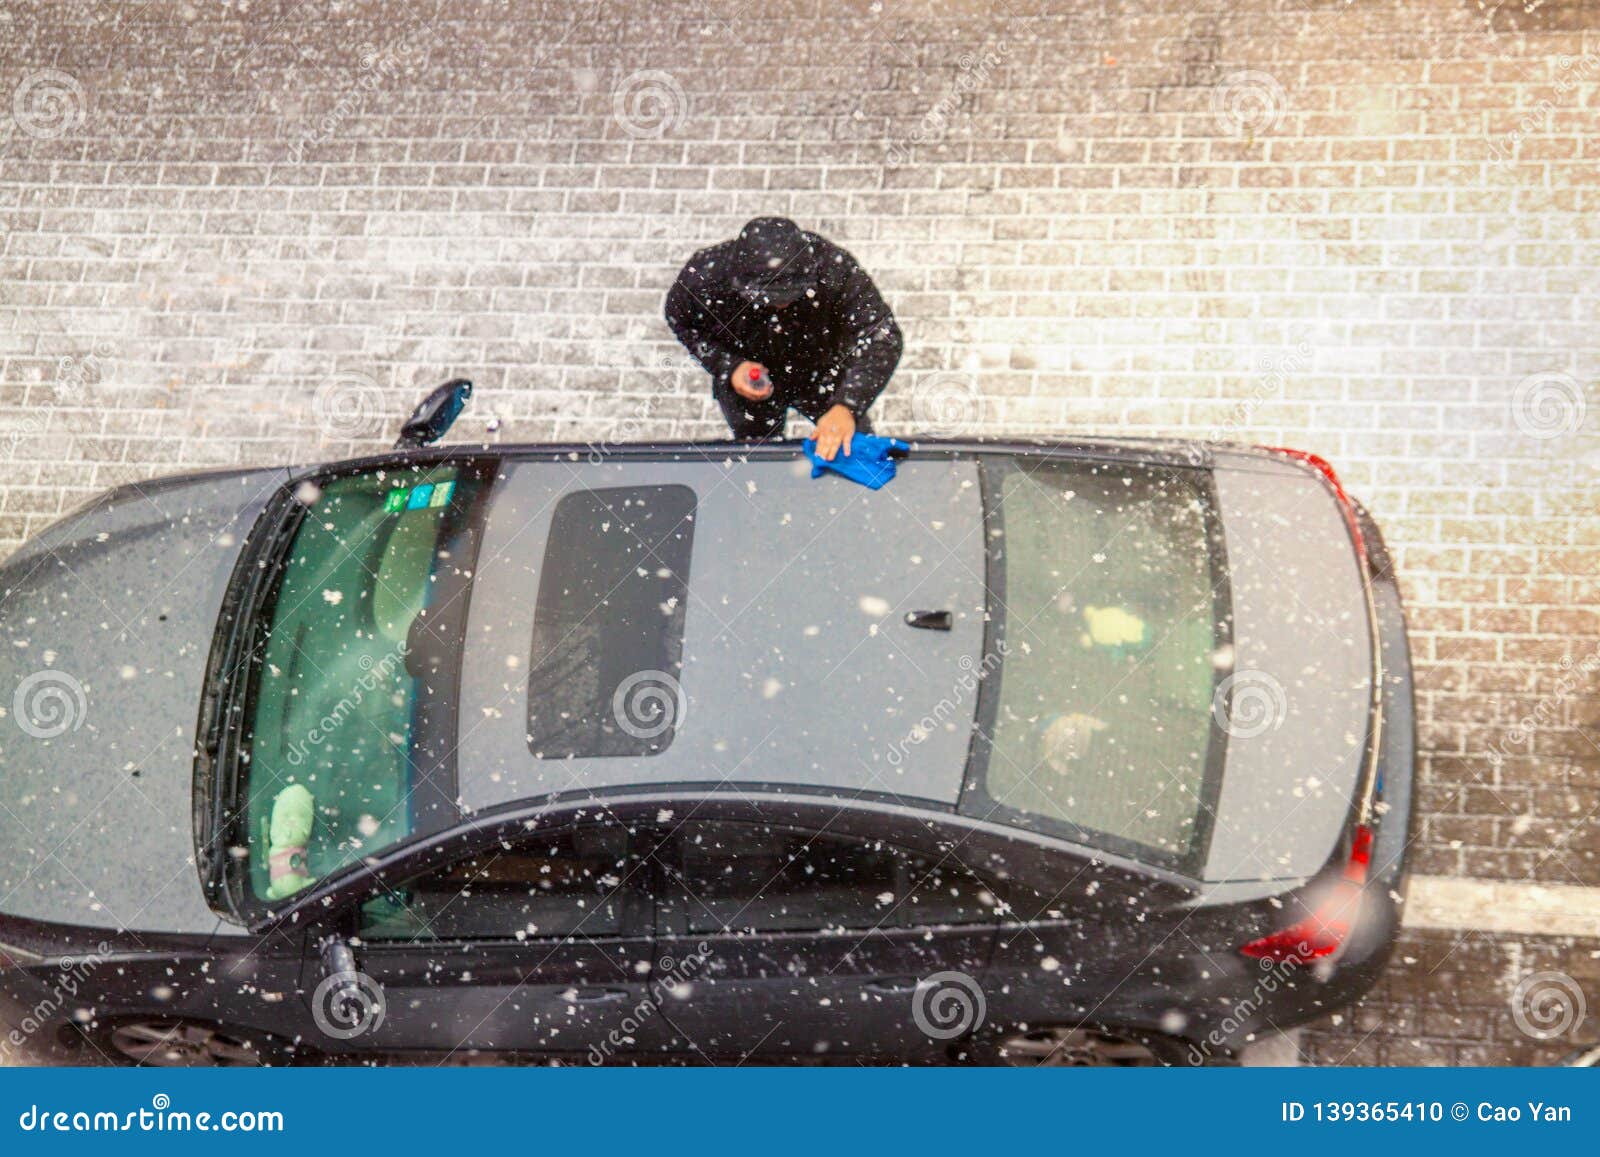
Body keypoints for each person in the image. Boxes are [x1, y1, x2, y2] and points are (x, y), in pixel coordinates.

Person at [664, 216, 903, 461]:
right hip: (752, 379)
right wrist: (729, 365)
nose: (781, 305)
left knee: (852, 448)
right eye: (766, 299)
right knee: (758, 458)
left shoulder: (834, 268)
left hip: (822, 371)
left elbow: (883, 334)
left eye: (791, 296)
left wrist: (847, 406)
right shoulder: (704, 277)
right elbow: (681, 321)